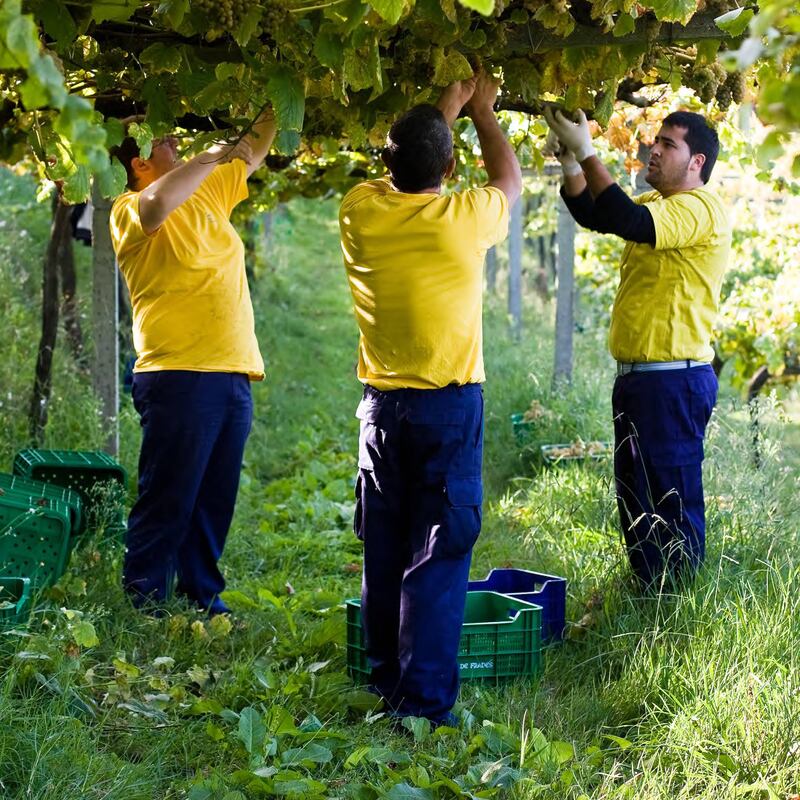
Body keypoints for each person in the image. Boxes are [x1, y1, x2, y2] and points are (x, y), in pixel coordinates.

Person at [339, 73, 521, 724]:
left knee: (385, 547)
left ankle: (386, 682)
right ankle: (422, 708)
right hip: (448, 409)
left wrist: (444, 108)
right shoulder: (464, 219)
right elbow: (509, 180)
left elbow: (413, 159)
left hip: (381, 412)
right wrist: (484, 110)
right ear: (450, 165)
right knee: (439, 555)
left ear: (386, 163)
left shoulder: (359, 210)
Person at [544, 107, 731, 589]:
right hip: (643, 381)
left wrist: (589, 151)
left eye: (669, 145)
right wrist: (570, 163)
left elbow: (623, 217)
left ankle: (679, 605)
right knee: (637, 499)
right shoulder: (662, 203)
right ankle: (649, 593)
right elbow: (597, 214)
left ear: (697, 163)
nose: (654, 148)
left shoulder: (700, 208)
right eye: (658, 140)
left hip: (672, 381)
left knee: (670, 496)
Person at [109, 110, 277, 615]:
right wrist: (210, 153)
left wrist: (274, 105)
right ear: (139, 162)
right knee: (169, 495)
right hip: (177, 372)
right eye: (163, 139)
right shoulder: (129, 208)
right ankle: (144, 600)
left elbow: (257, 148)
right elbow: (158, 203)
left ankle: (201, 595)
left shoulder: (209, 191)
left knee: (214, 499)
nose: (176, 140)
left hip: (233, 369)